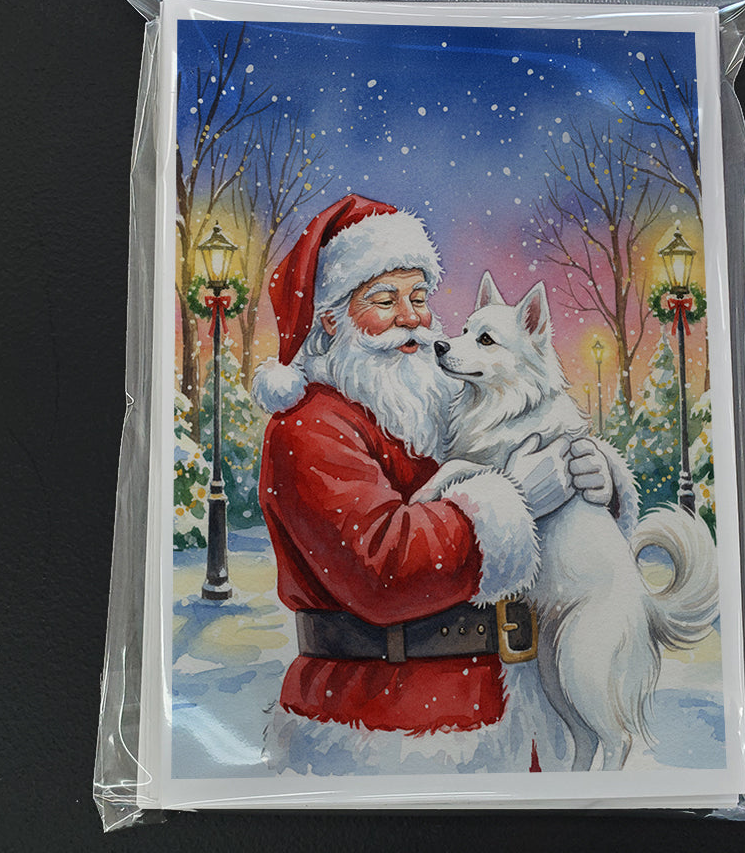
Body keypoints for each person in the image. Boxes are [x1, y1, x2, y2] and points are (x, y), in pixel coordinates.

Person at [252, 195, 629, 773]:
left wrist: (591, 477)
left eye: (420, 298)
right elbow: (383, 567)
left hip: (513, 713)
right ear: (331, 320)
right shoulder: (310, 428)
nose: (412, 318)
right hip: (383, 727)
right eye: (385, 301)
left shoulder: (435, 410)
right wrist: (517, 499)